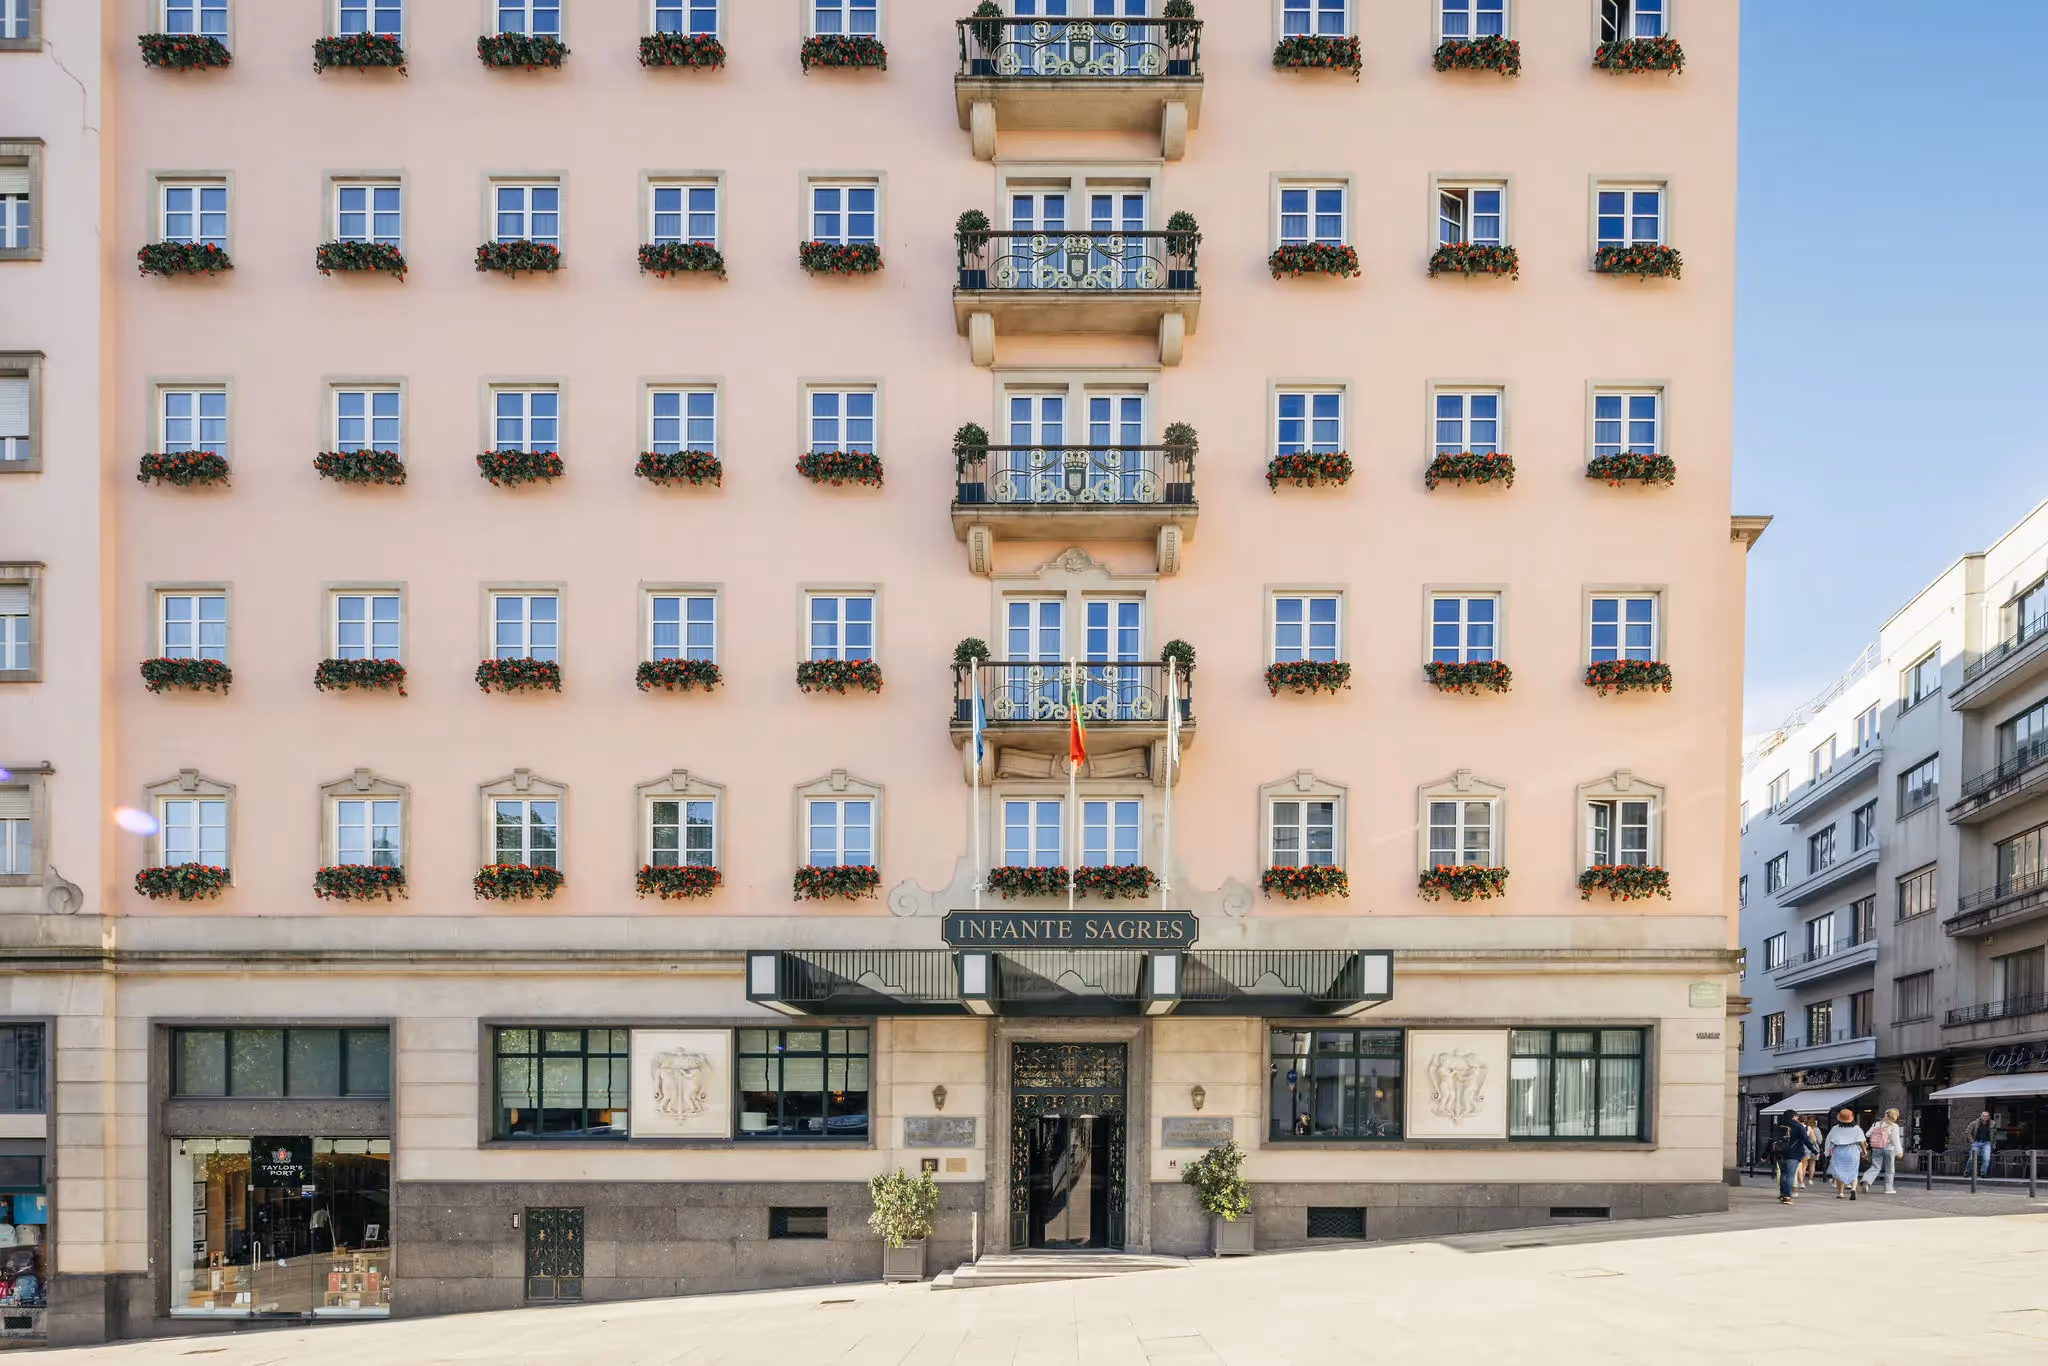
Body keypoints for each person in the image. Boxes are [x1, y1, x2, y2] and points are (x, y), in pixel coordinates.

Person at [1771, 1113, 1817, 1204]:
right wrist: (1815, 1151)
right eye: (1796, 1116)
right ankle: (1787, 1197)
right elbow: (1806, 1140)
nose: (1797, 1118)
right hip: (1793, 1154)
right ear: (1793, 1117)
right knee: (1790, 1175)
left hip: (1780, 1154)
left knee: (1783, 1174)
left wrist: (1765, 1155)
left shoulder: (1778, 1127)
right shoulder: (1799, 1127)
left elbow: (1771, 1140)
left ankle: (1783, 1194)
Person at [1824, 1107, 1868, 1200]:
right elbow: (1861, 1141)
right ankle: (1853, 1189)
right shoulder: (1857, 1128)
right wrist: (1864, 1151)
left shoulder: (1835, 1128)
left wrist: (1827, 1151)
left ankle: (1841, 1193)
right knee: (1853, 1171)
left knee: (1839, 1172)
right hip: (1853, 1152)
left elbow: (1829, 1141)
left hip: (1839, 1151)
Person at [1865, 1108, 1904, 1194]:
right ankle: (1888, 1189)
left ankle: (1866, 1181)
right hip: (1889, 1148)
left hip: (1876, 1148)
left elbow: (1867, 1134)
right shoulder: (1893, 1126)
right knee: (1889, 1169)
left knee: (1875, 1167)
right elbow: (1895, 1140)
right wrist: (1899, 1151)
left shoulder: (1876, 1124)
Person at [1966, 1110, 1997, 1177]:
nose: (1985, 1117)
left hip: (1987, 1143)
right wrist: (1972, 1142)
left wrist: (1993, 1143)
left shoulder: (1992, 1124)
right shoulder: (1974, 1123)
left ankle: (1983, 1173)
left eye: (1987, 1116)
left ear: (1989, 1117)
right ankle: (1967, 1170)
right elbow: (1968, 1132)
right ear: (1981, 1116)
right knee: (1972, 1158)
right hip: (1976, 1143)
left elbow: (1994, 1135)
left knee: (1986, 1159)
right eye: (1983, 1116)